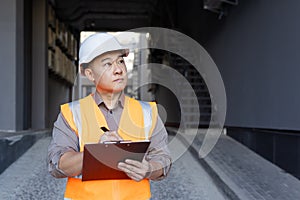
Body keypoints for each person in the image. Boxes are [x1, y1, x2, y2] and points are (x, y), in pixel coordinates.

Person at [47, 33, 172, 200]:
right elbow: (57, 165)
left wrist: (148, 169)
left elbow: (163, 160)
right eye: (107, 64)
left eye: (120, 61)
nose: (119, 69)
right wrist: (94, 154)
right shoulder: (71, 114)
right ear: (90, 74)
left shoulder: (147, 112)